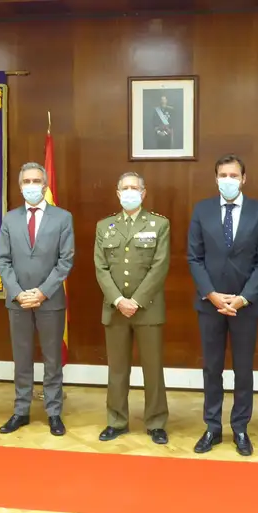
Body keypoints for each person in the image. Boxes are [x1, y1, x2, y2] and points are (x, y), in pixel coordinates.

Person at [186, 154, 258, 456]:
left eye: (233, 175)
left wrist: (243, 297)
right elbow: (194, 257)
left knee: (243, 369)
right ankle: (212, 427)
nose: (228, 180)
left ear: (243, 179)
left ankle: (240, 428)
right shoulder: (202, 210)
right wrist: (211, 294)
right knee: (212, 368)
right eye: (223, 175)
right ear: (216, 179)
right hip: (209, 304)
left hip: (245, 305)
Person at [0, 162, 74, 436]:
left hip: (49, 301)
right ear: (20, 186)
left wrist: (42, 292)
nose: (31, 185)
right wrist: (18, 293)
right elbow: (2, 260)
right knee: (22, 358)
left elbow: (65, 261)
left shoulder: (63, 218)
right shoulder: (9, 219)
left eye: (36, 180)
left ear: (45, 184)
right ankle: (21, 411)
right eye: (26, 181)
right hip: (18, 302)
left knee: (52, 360)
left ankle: (54, 412)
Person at [93, 172, 170, 444]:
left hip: (147, 308)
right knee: (117, 369)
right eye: (124, 188)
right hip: (114, 309)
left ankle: (156, 422)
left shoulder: (159, 224)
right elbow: (100, 268)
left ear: (143, 193)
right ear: (117, 193)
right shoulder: (105, 226)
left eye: (134, 188)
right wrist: (118, 300)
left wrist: (135, 301)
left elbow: (160, 266)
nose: (129, 192)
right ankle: (116, 420)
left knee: (153, 367)